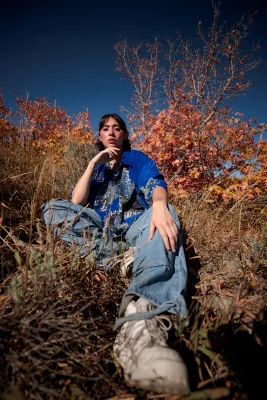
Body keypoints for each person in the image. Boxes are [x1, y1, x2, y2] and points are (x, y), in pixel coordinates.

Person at [41, 113, 190, 395]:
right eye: (105, 129)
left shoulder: (137, 159)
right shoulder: (97, 171)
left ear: (124, 134)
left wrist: (160, 203)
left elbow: (155, 183)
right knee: (52, 209)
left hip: (136, 224)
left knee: (166, 215)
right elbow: (76, 202)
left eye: (117, 128)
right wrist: (90, 165)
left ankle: (143, 319)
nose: (111, 133)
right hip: (101, 231)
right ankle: (121, 260)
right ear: (99, 136)